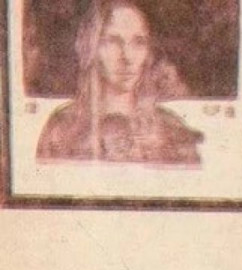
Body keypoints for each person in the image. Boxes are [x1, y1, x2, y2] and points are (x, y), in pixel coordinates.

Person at [36, 0, 203, 164]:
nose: (127, 57)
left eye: (138, 42)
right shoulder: (61, 129)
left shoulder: (172, 130)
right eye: (113, 41)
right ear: (90, 48)